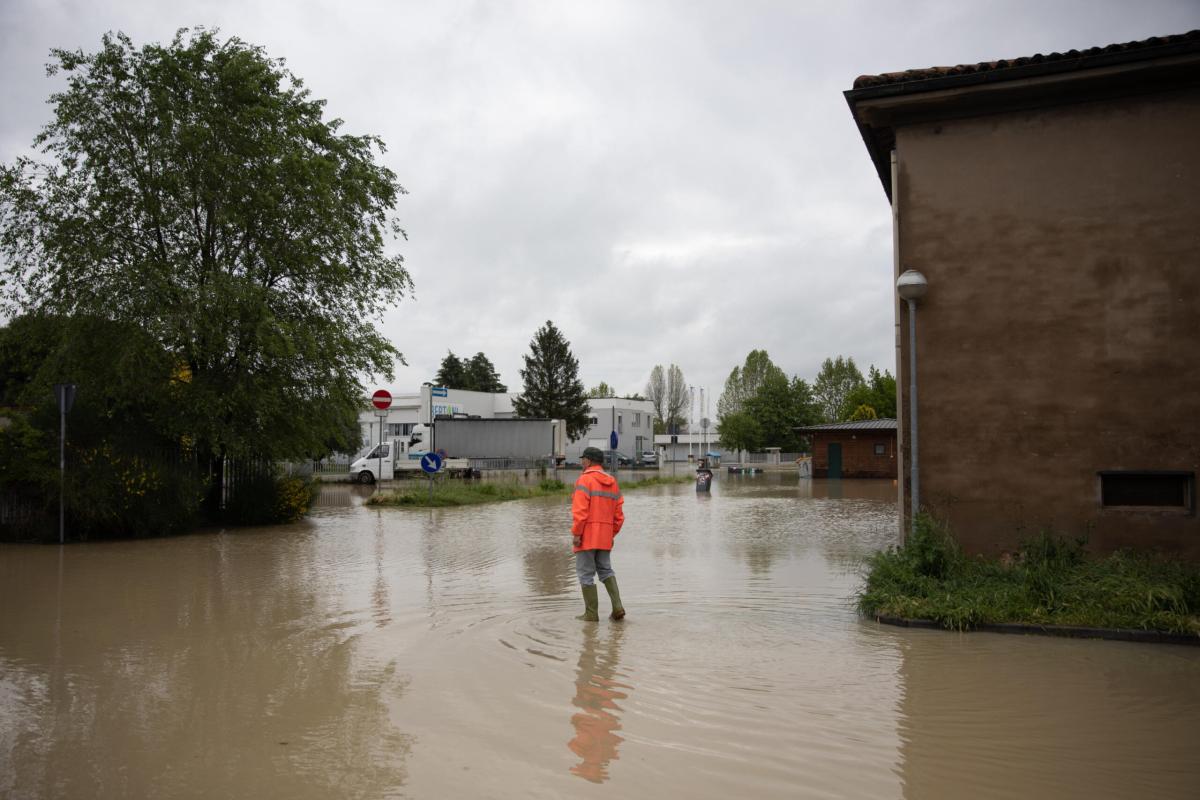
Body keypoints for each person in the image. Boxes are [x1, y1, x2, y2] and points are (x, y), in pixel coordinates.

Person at [572, 446, 626, 621]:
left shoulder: (584, 480)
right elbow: (619, 516)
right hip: (605, 536)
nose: (581, 462)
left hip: (587, 535)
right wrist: (610, 533)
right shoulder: (612, 482)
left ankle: (591, 614)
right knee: (605, 570)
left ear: (588, 461)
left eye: (583, 459)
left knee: (585, 573)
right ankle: (617, 607)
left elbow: (580, 512)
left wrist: (577, 533)